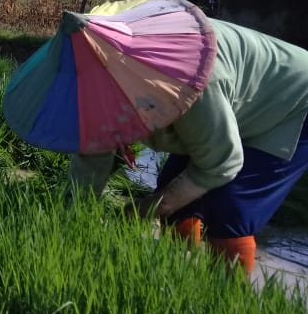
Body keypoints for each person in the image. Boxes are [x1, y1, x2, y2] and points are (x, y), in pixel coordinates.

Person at [66, 17, 308, 276]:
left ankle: (226, 303)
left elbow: (221, 165)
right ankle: (182, 276)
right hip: (237, 100)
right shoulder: (109, 75)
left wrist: (143, 209)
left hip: (293, 103)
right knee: (173, 185)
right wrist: (71, 218)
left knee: (229, 207)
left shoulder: (188, 80)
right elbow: (97, 147)